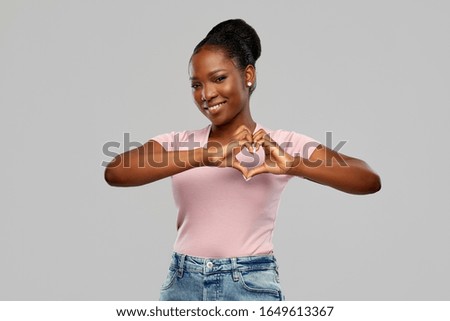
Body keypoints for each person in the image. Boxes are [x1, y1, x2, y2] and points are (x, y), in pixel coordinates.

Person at [104, 19, 381, 301]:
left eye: (219, 78)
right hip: (183, 285)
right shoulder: (181, 144)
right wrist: (203, 156)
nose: (206, 94)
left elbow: (368, 179)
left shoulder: (280, 144)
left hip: (249, 284)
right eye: (196, 84)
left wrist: (294, 164)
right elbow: (116, 172)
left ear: (248, 75)